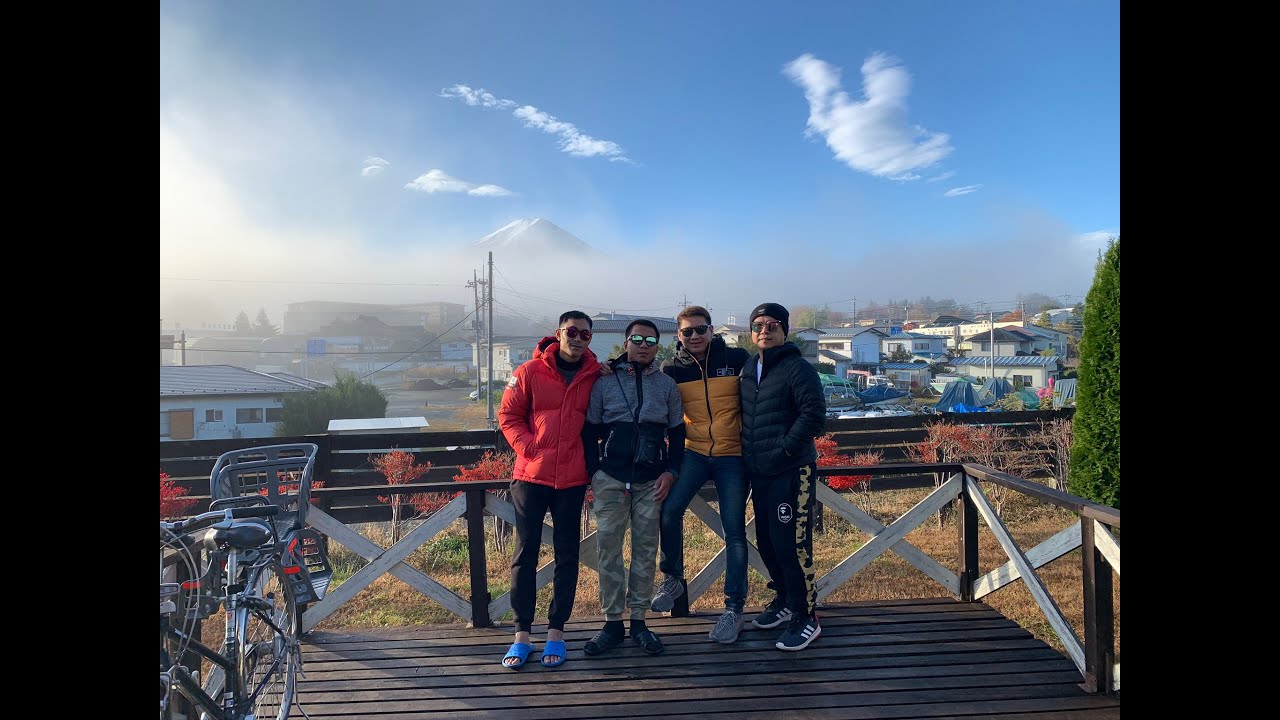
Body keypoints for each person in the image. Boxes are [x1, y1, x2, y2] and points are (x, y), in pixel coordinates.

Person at [496, 310, 602, 669]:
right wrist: (529, 448)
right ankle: (521, 635)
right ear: (558, 333)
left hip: (572, 480)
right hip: (531, 476)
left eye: (585, 334)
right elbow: (508, 416)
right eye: (572, 331)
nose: (578, 338)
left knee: (567, 554)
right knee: (524, 554)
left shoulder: (595, 375)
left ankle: (557, 631)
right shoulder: (528, 371)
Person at [582, 319, 685, 656]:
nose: (644, 345)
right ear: (625, 342)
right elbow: (590, 430)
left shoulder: (667, 385)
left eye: (651, 341)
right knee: (608, 551)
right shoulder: (604, 382)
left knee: (645, 551)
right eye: (637, 339)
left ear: (658, 346)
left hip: (651, 481)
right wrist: (595, 472)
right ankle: (612, 622)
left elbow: (677, 434)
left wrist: (671, 471)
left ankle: (639, 621)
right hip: (610, 479)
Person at [651, 306, 752, 644]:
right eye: (687, 331)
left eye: (700, 329)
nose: (694, 336)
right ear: (679, 336)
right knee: (669, 510)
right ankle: (672, 578)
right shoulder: (671, 369)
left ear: (711, 330)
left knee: (734, 531)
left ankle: (734, 609)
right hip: (693, 452)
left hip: (732, 455)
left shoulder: (736, 359)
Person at [739, 302, 827, 651]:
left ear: (785, 331)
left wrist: (784, 450)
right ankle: (786, 599)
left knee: (792, 544)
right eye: (758, 325)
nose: (765, 330)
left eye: (773, 324)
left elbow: (814, 415)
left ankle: (807, 616)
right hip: (759, 472)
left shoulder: (797, 368)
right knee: (768, 541)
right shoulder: (749, 368)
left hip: (791, 470)